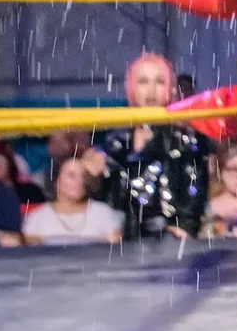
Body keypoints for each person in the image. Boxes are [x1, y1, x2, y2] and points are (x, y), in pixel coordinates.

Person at [85, 53, 212, 239]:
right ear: (131, 89)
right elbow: (108, 198)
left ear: (170, 89)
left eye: (159, 82)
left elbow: (195, 191)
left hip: (171, 237)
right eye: (143, 81)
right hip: (124, 239)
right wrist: (92, 179)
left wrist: (185, 228)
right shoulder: (116, 141)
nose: (151, 91)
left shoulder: (186, 139)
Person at [23, 157, 126, 245]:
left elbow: (115, 254)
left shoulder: (103, 213)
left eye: (83, 176)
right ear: (56, 181)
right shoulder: (38, 218)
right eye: (71, 175)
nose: (79, 181)